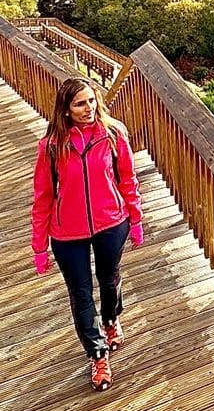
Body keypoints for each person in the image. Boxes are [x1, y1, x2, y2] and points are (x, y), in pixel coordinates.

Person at [32, 75, 144, 391]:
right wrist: (39, 246)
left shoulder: (113, 134)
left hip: (111, 223)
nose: (88, 108)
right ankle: (97, 355)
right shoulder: (51, 147)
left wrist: (136, 219)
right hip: (67, 234)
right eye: (80, 104)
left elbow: (127, 179)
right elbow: (43, 197)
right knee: (81, 293)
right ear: (66, 109)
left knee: (109, 280)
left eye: (92, 100)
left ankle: (111, 319)